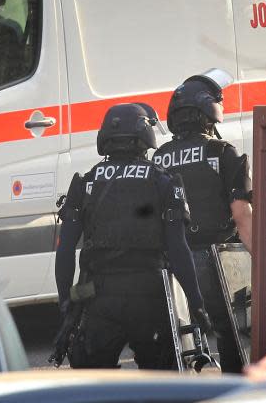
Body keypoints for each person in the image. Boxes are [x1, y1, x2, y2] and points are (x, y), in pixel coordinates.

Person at [54, 102, 211, 369]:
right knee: (160, 385)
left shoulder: (85, 182)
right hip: (150, 294)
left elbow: (65, 249)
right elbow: (178, 248)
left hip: (97, 296)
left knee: (93, 386)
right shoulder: (164, 181)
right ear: (144, 136)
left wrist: (66, 302)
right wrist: (197, 306)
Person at [152, 71, 253, 373]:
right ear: (209, 111)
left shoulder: (159, 158)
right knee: (232, 336)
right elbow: (241, 214)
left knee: (180, 340)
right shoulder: (222, 152)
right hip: (218, 260)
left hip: (172, 263)